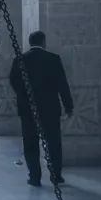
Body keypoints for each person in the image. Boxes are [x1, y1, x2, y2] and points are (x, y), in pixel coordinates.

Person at [8, 30, 73, 186]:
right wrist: (68, 105)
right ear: (43, 42)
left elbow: (13, 81)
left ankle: (34, 176)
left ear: (30, 43)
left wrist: (24, 96)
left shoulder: (19, 60)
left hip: (28, 109)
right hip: (50, 108)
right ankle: (56, 175)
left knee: (30, 143)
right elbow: (62, 85)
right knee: (53, 142)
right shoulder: (53, 59)